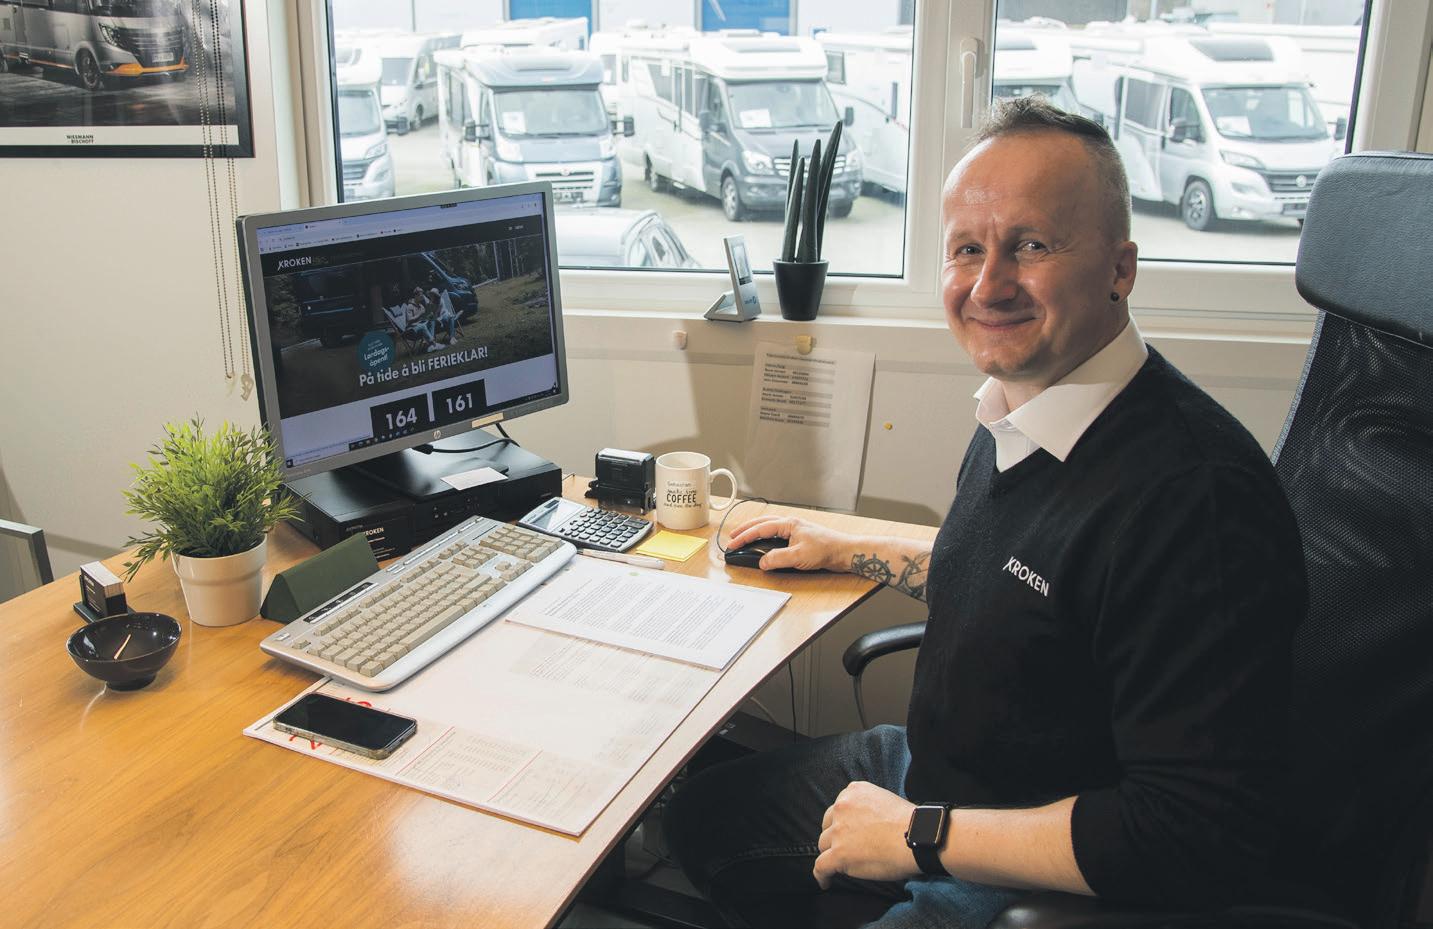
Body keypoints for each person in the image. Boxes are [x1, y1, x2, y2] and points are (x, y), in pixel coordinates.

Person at [664, 97, 1306, 929]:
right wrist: (850, 545)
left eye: (1030, 245)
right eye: (967, 249)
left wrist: (918, 836)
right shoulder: (1023, 404)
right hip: (943, 775)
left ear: (1119, 268)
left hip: (1025, 860)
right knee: (701, 815)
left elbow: (1190, 831)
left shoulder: (1193, 501)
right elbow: (1032, 577)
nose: (987, 285)